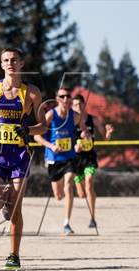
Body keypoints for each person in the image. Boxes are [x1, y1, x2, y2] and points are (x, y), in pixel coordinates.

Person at [0, 48, 46, 270]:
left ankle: (13, 255)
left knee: (16, 209)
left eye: (14, 60)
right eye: (6, 60)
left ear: (22, 64)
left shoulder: (31, 92)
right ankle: (4, 196)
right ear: (1, 64)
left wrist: (29, 130)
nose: (10, 63)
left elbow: (43, 125)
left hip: (19, 155)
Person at [34, 87, 89, 236]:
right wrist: (51, 145)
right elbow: (37, 136)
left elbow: (84, 132)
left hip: (69, 157)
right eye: (62, 96)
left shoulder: (75, 116)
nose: (66, 99)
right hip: (53, 158)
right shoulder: (51, 115)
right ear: (57, 99)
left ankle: (66, 223)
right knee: (58, 195)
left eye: (68, 97)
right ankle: (61, 198)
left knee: (68, 185)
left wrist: (82, 138)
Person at [72, 94, 114, 228]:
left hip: (89, 157)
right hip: (75, 159)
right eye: (75, 105)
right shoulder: (70, 121)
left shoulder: (93, 119)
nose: (78, 107)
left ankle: (92, 218)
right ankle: (82, 192)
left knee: (89, 183)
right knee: (81, 194)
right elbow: (64, 139)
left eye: (80, 104)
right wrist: (75, 146)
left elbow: (105, 138)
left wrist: (108, 133)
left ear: (84, 105)